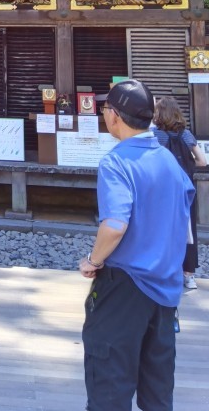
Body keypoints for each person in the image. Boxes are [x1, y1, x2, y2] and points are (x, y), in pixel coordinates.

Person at [79, 79, 195, 411]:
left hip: (125, 285)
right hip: (166, 287)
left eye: (105, 109)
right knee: (157, 394)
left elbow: (115, 225)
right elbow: (184, 222)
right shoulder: (169, 161)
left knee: (109, 389)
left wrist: (93, 260)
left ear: (114, 115)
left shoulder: (116, 162)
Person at [153, 96, 207, 290]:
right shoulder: (186, 135)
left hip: (163, 189)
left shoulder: (156, 135)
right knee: (188, 229)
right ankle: (189, 275)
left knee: (163, 228)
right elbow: (202, 162)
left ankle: (166, 272)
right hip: (186, 190)